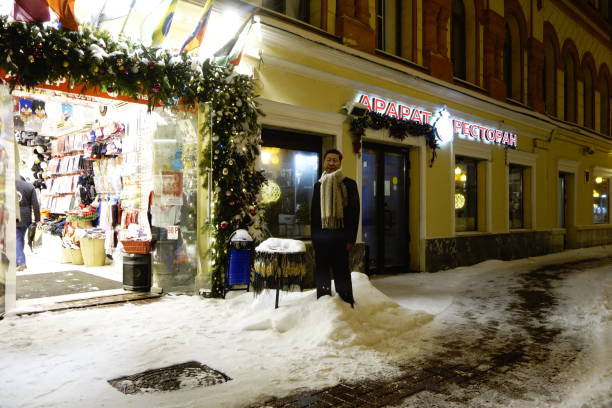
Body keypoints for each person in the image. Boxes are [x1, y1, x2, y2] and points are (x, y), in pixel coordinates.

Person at [311, 149, 360, 307]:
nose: (331, 163)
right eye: (328, 160)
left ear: (340, 163)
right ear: (324, 162)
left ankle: (346, 302)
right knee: (322, 272)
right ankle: (323, 304)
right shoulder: (318, 185)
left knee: (342, 272)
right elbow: (314, 215)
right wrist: (314, 238)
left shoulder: (349, 184)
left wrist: (351, 238)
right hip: (322, 237)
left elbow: (354, 212)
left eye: (335, 160)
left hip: (341, 237)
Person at [16, 176, 40, 271]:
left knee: (17, 238)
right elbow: (35, 204)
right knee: (19, 237)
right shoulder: (30, 187)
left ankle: (21, 262)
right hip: (26, 217)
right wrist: (38, 220)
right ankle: (18, 262)